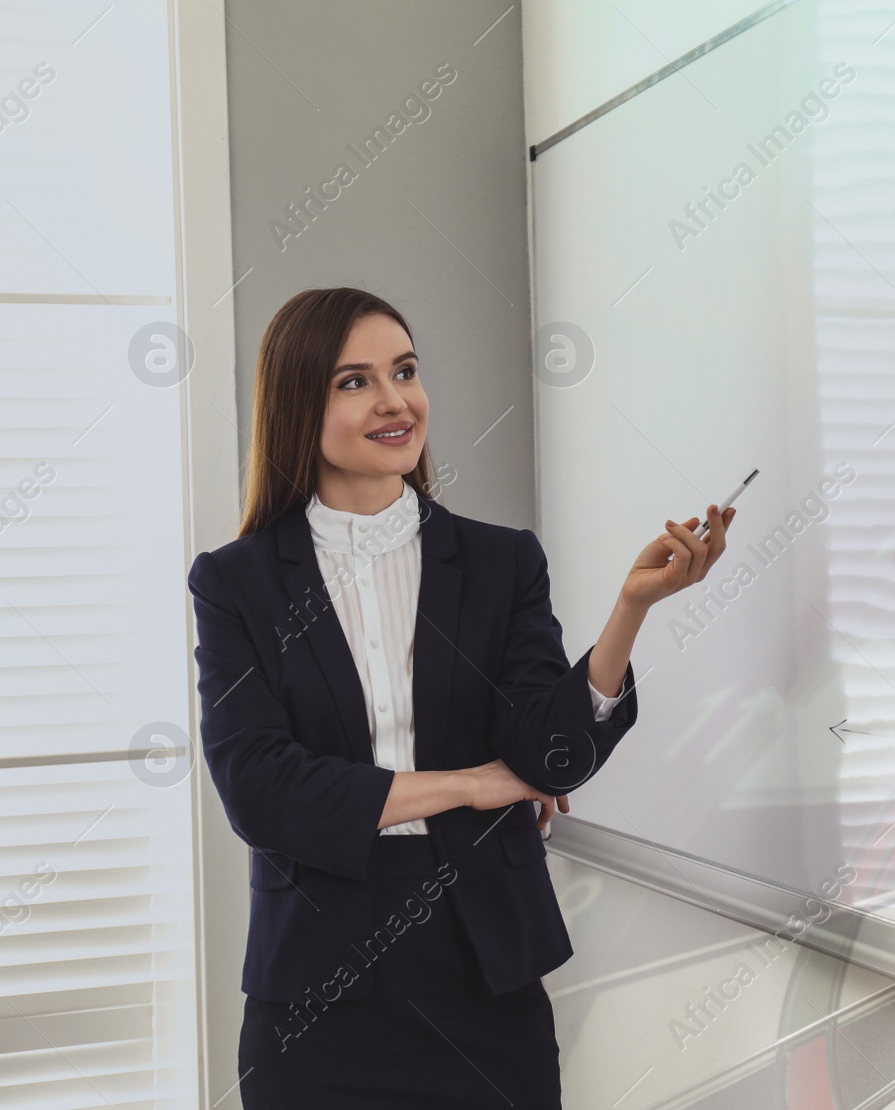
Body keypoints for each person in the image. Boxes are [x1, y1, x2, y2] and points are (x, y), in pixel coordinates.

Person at [187, 287, 735, 1108]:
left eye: (404, 371)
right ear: (299, 404)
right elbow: (262, 793)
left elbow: (551, 757)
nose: (394, 400)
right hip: (315, 995)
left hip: (484, 973)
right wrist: (477, 785)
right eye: (354, 381)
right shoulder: (238, 583)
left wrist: (630, 609)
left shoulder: (500, 562)